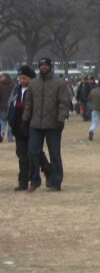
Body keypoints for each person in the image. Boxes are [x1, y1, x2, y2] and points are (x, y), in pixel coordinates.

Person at [23, 58, 70, 191]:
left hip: (53, 124)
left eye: (46, 65)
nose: (43, 67)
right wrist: (25, 119)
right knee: (32, 152)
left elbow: (63, 103)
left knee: (54, 154)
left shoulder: (59, 83)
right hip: (36, 124)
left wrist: (61, 119)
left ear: (50, 66)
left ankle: (56, 182)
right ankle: (35, 180)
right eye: (41, 65)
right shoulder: (33, 84)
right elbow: (29, 104)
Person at [8, 66, 51, 190]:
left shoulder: (36, 90)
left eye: (24, 78)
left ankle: (48, 171)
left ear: (31, 78)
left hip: (32, 126)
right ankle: (23, 182)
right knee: (22, 155)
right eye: (20, 78)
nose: (21, 80)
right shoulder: (16, 90)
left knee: (35, 152)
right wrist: (11, 121)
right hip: (18, 126)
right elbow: (11, 106)